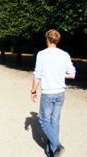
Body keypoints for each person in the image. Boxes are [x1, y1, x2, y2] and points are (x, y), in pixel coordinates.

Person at [30, 29, 76, 157]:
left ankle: (57, 145)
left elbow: (37, 75)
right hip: (60, 92)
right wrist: (60, 74)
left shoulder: (42, 54)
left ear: (47, 40)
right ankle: (51, 151)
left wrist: (33, 90)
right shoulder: (65, 55)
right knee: (55, 120)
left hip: (48, 92)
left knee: (44, 120)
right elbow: (72, 75)